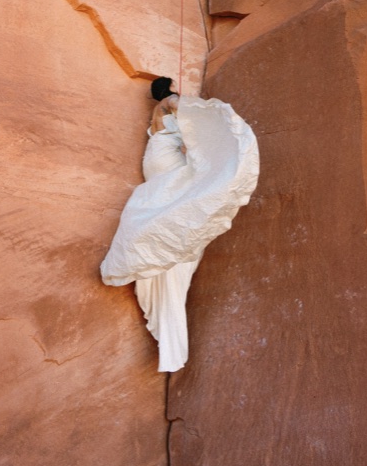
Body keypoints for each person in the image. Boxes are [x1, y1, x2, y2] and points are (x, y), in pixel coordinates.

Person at [100, 77, 259, 372]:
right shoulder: (169, 105)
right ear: (169, 89)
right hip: (168, 164)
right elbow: (191, 117)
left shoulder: (158, 113)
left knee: (176, 218)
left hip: (159, 163)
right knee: (186, 214)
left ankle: (169, 264)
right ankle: (171, 337)